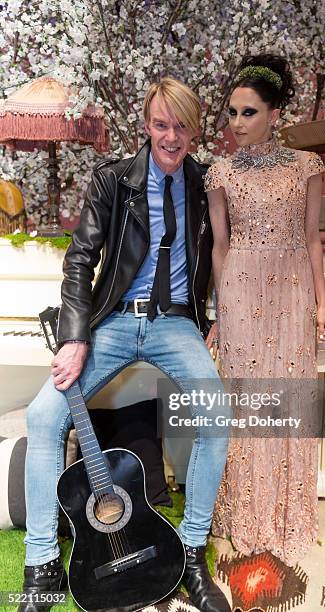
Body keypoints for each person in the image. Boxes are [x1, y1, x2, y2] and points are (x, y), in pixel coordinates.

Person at [20, 77, 231, 612]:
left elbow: (236, 246)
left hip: (175, 324)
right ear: (146, 124)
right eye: (161, 124)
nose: (171, 136)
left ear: (195, 129)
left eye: (181, 126)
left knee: (218, 417)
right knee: (45, 416)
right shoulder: (113, 180)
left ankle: (190, 552)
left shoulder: (208, 183)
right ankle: (41, 563)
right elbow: (80, 259)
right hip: (114, 322)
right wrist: (74, 337)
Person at [204, 54, 325, 566]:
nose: (236, 124)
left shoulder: (306, 167)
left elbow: (310, 239)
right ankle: (245, 517)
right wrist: (221, 310)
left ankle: (287, 516)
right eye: (232, 113)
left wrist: (322, 305)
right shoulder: (220, 171)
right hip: (240, 291)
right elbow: (219, 246)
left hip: (292, 294)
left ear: (275, 113)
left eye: (248, 113)